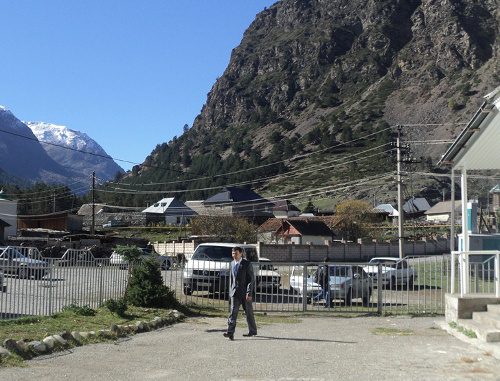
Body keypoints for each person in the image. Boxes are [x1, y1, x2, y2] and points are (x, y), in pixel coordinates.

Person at [223, 246, 257, 340]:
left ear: (241, 254)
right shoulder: (232, 263)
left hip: (245, 293)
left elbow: (251, 279)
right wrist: (230, 291)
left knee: (249, 313)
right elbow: (231, 279)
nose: (234, 255)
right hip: (235, 293)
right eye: (233, 253)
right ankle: (230, 332)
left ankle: (252, 330)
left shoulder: (247, 264)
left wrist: (249, 293)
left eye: (236, 253)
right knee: (233, 313)